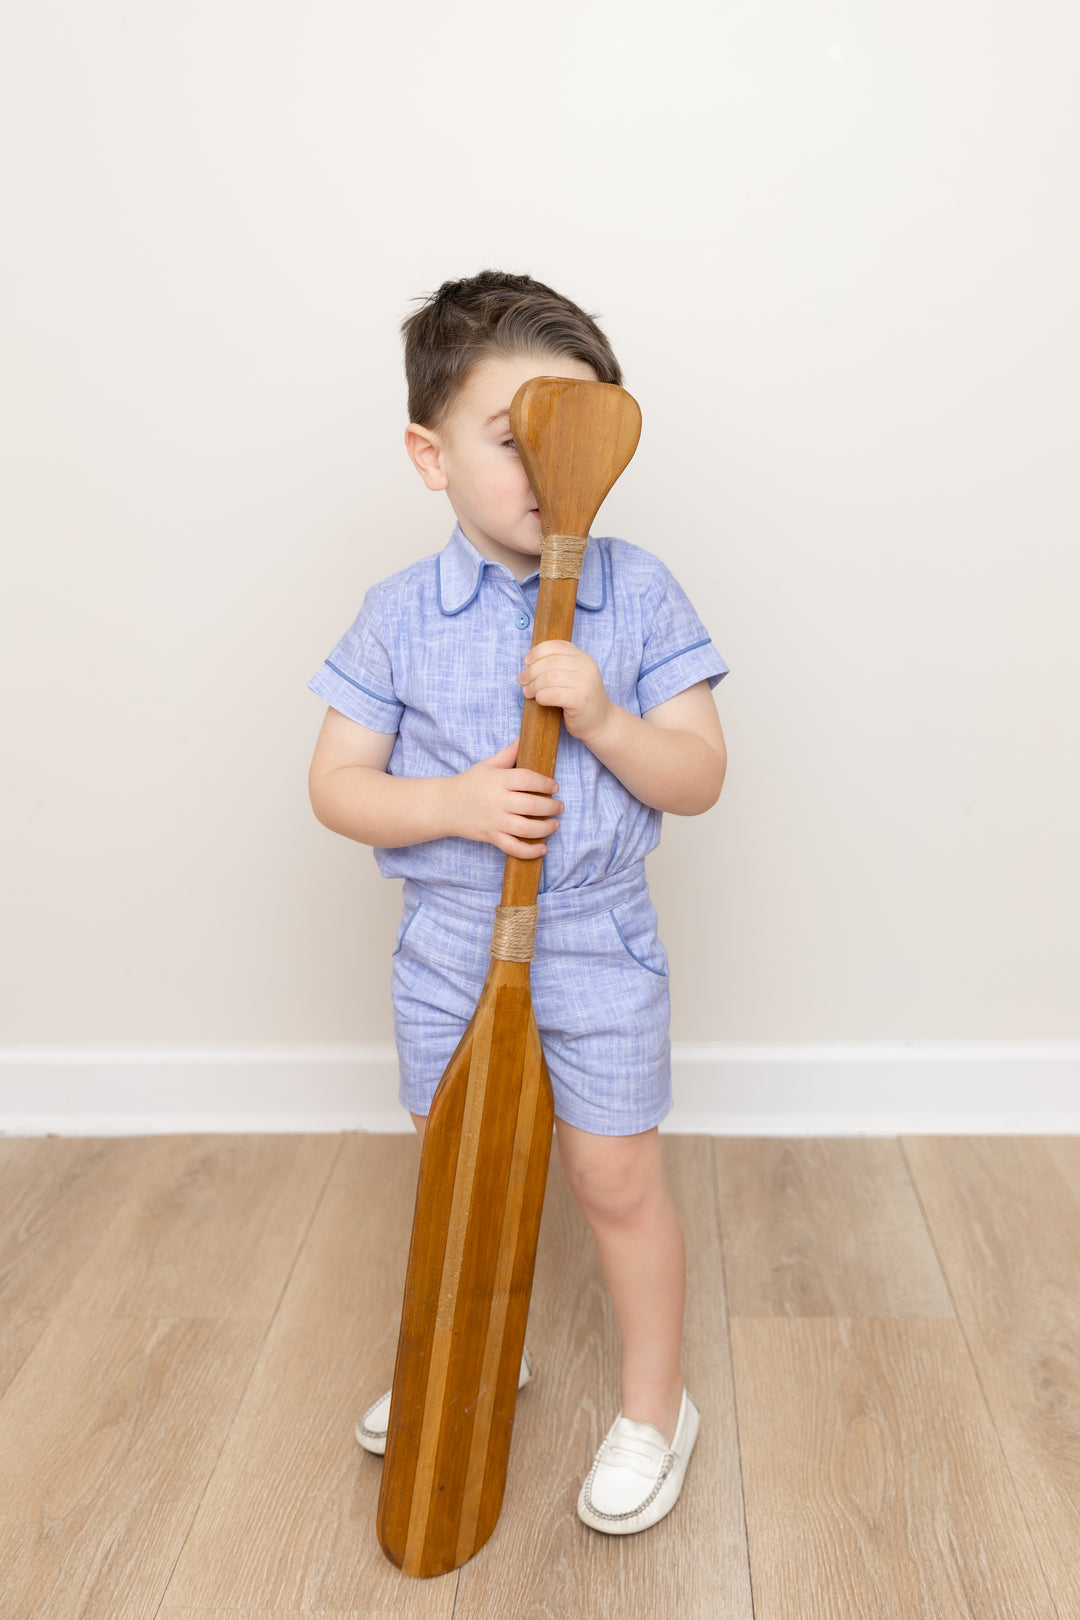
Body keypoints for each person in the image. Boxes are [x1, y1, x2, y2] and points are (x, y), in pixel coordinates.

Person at [306, 270, 729, 1534]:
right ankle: (475, 1350)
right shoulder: (398, 616)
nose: (547, 468)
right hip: (449, 949)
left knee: (612, 1175)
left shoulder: (639, 593)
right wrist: (452, 804)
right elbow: (337, 787)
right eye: (512, 438)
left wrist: (602, 716)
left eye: (572, 435)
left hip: (596, 939)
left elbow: (699, 776)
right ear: (430, 456)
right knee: (465, 1165)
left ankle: (654, 1406)